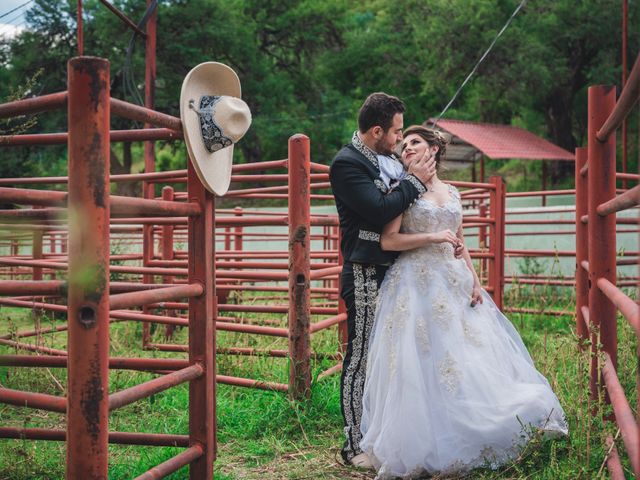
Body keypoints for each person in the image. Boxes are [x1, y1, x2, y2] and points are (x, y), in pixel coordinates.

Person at [359, 125, 569, 479]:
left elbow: (458, 239)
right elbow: (389, 241)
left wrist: (474, 280)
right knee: (422, 360)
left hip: (453, 280)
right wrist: (431, 236)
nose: (406, 148)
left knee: (464, 356)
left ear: (434, 151)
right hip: (415, 285)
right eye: (404, 144)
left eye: (415, 143)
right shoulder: (402, 190)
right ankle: (425, 440)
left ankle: (476, 424)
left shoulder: (452, 191)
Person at [329, 93, 440, 467]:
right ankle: (353, 442)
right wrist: (414, 183)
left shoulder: (389, 159)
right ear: (377, 131)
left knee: (393, 357)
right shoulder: (347, 164)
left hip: (398, 271)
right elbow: (379, 210)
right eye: (395, 132)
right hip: (364, 269)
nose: (399, 139)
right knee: (361, 356)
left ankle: (387, 434)